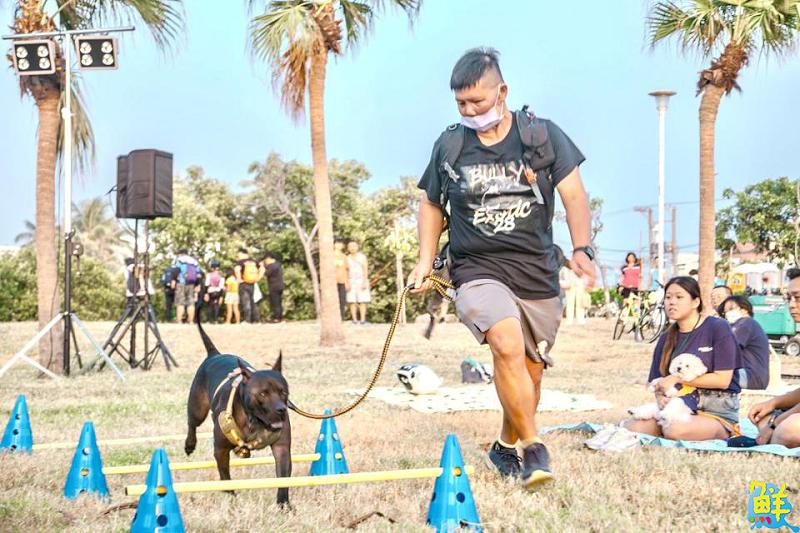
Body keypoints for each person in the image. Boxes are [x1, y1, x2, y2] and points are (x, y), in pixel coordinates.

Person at [408, 48, 594, 489]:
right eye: (461, 104)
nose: (471, 111)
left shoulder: (541, 137)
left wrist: (582, 247)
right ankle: (534, 447)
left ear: (502, 92)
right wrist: (422, 260)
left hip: (537, 271)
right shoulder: (451, 144)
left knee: (530, 372)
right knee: (505, 344)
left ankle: (505, 444)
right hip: (477, 268)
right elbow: (432, 203)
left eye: (478, 102)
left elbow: (574, 196)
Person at [623, 276, 742, 440]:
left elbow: (723, 379)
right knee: (632, 428)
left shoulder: (717, 327)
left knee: (674, 430)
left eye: (679, 297)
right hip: (677, 405)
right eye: (668, 297)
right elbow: (657, 380)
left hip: (715, 409)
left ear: (696, 302)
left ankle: (726, 429)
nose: (671, 302)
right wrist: (660, 398)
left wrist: (677, 378)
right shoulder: (666, 337)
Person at [718, 295, 769, 390]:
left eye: (731, 308)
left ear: (744, 309)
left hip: (750, 376)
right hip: (753, 377)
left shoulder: (745, 323)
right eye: (725, 312)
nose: (727, 313)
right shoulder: (748, 324)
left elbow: (727, 348)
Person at [172, 249, 202, 324]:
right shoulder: (194, 261)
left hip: (181, 282)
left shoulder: (179, 260)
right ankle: (191, 320)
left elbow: (175, 270)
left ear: (181, 253)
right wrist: (198, 284)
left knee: (180, 302)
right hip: (192, 283)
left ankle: (179, 320)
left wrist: (173, 280)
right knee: (191, 302)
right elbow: (198, 274)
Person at [235, 247, 264, 323]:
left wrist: (239, 279)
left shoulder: (240, 262)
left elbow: (237, 270)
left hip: (244, 283)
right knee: (253, 301)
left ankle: (247, 320)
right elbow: (262, 269)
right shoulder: (254, 261)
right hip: (253, 283)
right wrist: (258, 278)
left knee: (246, 302)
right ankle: (256, 320)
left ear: (241, 253)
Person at [346, 240, 370, 324]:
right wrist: (347, 282)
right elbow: (346, 271)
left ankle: (363, 320)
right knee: (351, 300)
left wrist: (364, 281)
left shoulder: (362, 257)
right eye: (350, 246)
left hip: (361, 280)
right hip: (350, 280)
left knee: (362, 300)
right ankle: (354, 320)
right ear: (348, 248)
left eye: (354, 246)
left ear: (357, 247)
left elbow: (365, 269)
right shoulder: (347, 258)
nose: (352, 248)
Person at [560, 260, 586, 326]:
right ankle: (569, 320)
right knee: (569, 303)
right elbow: (563, 273)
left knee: (580, 303)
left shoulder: (582, 263)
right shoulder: (568, 263)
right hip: (570, 285)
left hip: (580, 284)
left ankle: (580, 320)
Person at [262, 252, 286, 323]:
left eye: (265, 260)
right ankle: (280, 317)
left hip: (274, 286)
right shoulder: (278, 264)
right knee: (279, 303)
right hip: (280, 286)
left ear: (268, 258)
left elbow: (266, 274)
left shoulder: (271, 266)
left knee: (275, 303)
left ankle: (277, 318)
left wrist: (263, 267)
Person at [334, 240, 350, 318]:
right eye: (337, 243)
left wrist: (347, 282)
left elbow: (346, 270)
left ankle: (341, 317)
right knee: (333, 300)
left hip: (342, 281)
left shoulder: (344, 256)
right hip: (332, 282)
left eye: (341, 244)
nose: (339, 245)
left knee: (342, 300)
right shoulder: (329, 255)